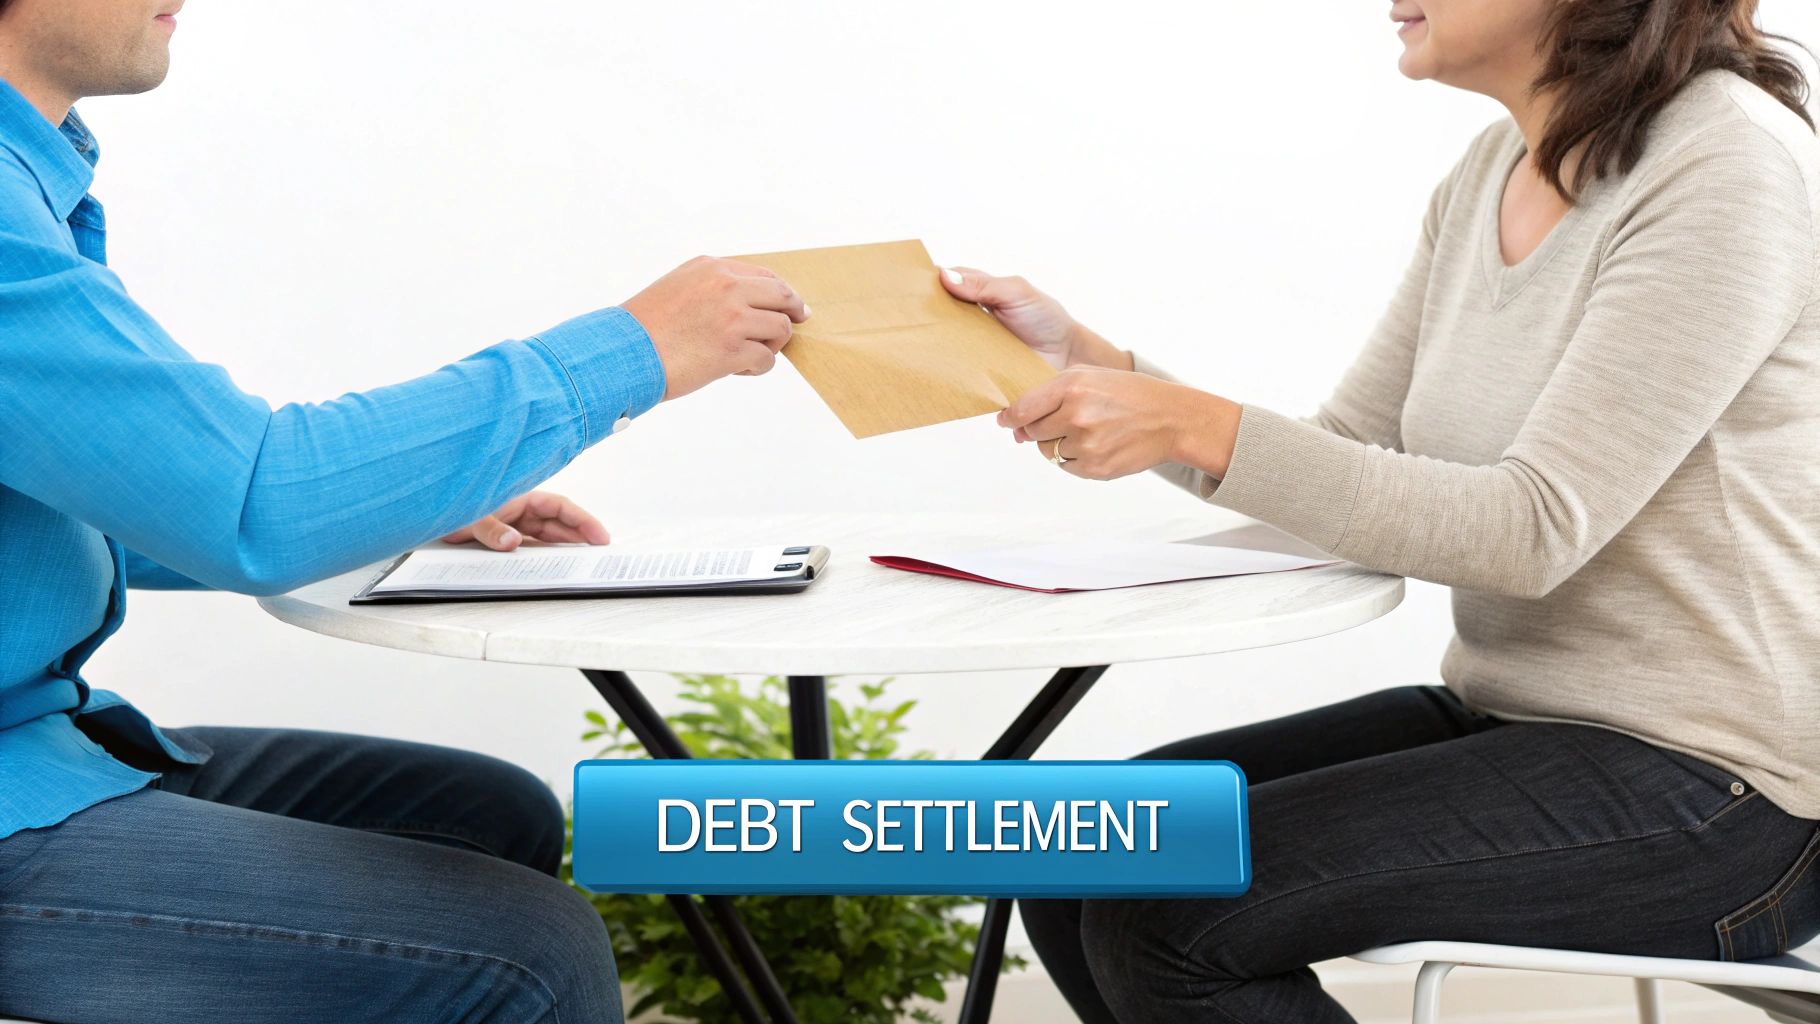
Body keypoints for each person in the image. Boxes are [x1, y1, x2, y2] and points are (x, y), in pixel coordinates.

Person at [941, 0, 1820, 1020]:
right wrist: (1094, 366)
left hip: (1723, 793)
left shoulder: (1724, 165)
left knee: (1167, 916)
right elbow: (1349, 458)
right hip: (1523, 719)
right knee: (1090, 847)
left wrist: (1191, 425)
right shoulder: (1491, 170)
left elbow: (1529, 528)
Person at [0, 1, 808, 1021]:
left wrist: (392, 508)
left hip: (38, 742)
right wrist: (633, 349)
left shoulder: (31, 183)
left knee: (482, 814)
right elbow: (253, 497)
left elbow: (107, 490)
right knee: (528, 951)